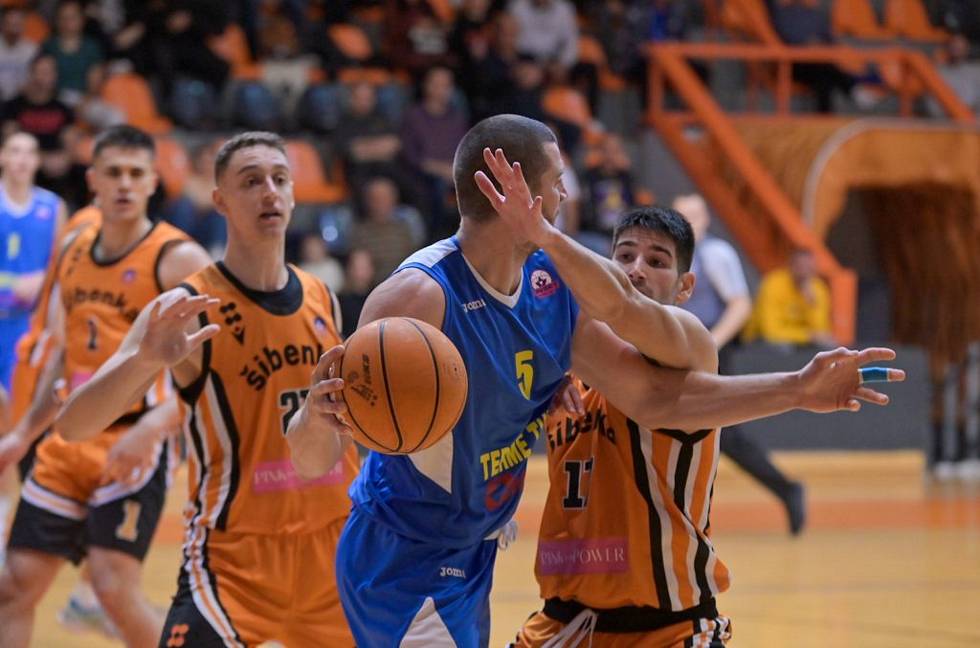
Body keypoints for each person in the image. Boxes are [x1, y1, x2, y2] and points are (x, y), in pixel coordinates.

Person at [292, 114, 902, 647]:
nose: (566, 192)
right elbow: (316, 458)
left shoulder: (552, 290)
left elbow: (652, 396)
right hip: (404, 554)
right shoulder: (417, 297)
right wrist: (315, 417)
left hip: (475, 551)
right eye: (557, 179)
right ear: (520, 191)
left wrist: (796, 389)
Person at [54, 131, 359, 647]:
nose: (269, 191)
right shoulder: (186, 306)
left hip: (333, 547)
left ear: (292, 194)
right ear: (220, 200)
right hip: (234, 559)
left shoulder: (322, 297)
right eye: (251, 181)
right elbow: (73, 425)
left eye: (279, 179)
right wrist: (145, 360)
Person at [0, 125, 213, 648]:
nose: (124, 183)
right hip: (70, 439)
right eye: (113, 172)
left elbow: (215, 367)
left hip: (135, 440)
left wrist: (155, 428)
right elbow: (64, 355)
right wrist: (24, 433)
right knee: (14, 588)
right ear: (92, 179)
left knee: (114, 589)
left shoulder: (178, 258)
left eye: (136, 173)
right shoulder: (73, 249)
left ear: (153, 182)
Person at [675, 193, 805, 534]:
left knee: (724, 435)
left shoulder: (716, 254)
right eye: (683, 216)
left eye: (696, 216)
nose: (690, 223)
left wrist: (710, 345)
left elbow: (740, 305)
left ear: (706, 219)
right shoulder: (677, 255)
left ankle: (786, 489)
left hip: (710, 354)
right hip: (682, 353)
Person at [0, 130, 64, 574]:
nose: (21, 159)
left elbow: (63, 270)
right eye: (14, 151)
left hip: (27, 332)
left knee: (16, 429)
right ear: (3, 157)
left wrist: (42, 284)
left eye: (29, 152)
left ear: (38, 161)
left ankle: (9, 526)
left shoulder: (52, 207)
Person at [747, 247, 836, 348]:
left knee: (829, 345)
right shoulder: (774, 284)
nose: (804, 272)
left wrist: (812, 304)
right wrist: (807, 336)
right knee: (782, 347)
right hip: (760, 339)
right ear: (790, 266)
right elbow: (770, 331)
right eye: (800, 267)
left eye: (809, 268)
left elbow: (820, 332)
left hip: (799, 338)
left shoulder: (817, 288)